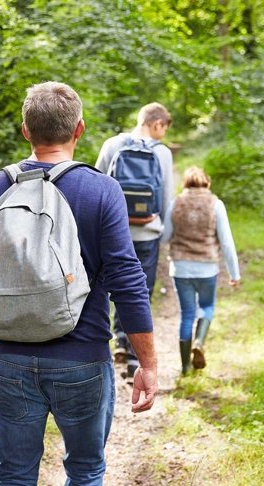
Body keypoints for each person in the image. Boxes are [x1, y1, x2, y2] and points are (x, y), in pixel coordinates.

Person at [0, 81, 158, 485]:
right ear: (80, 130)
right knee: (85, 471)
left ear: (25, 131)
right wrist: (148, 364)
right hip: (82, 357)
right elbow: (127, 281)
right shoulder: (101, 190)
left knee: (13, 475)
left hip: (11, 360)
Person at [95, 102, 174, 380]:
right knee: (141, 293)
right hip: (147, 232)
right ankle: (132, 360)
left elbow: (97, 186)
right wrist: (163, 232)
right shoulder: (162, 153)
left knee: (106, 289)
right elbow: (166, 197)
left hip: (114, 233)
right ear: (157, 124)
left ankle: (114, 341)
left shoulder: (112, 144)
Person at [160, 166, 240, 376]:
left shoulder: (176, 203)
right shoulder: (216, 204)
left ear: (185, 183)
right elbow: (227, 242)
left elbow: (165, 236)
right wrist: (234, 274)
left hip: (180, 268)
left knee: (187, 315)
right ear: (207, 182)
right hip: (207, 268)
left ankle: (185, 367)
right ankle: (199, 341)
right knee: (206, 307)